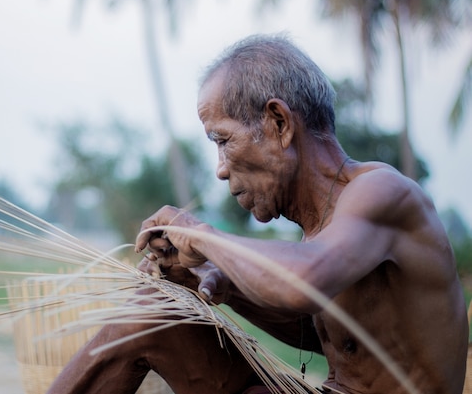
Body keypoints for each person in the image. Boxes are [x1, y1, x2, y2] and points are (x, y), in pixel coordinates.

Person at [47, 34, 468, 394]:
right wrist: (214, 285)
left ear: (279, 123)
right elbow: (331, 337)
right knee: (155, 310)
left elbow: (303, 280)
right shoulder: (322, 228)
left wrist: (202, 236)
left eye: (223, 140)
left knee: (149, 312)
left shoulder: (381, 192)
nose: (220, 168)